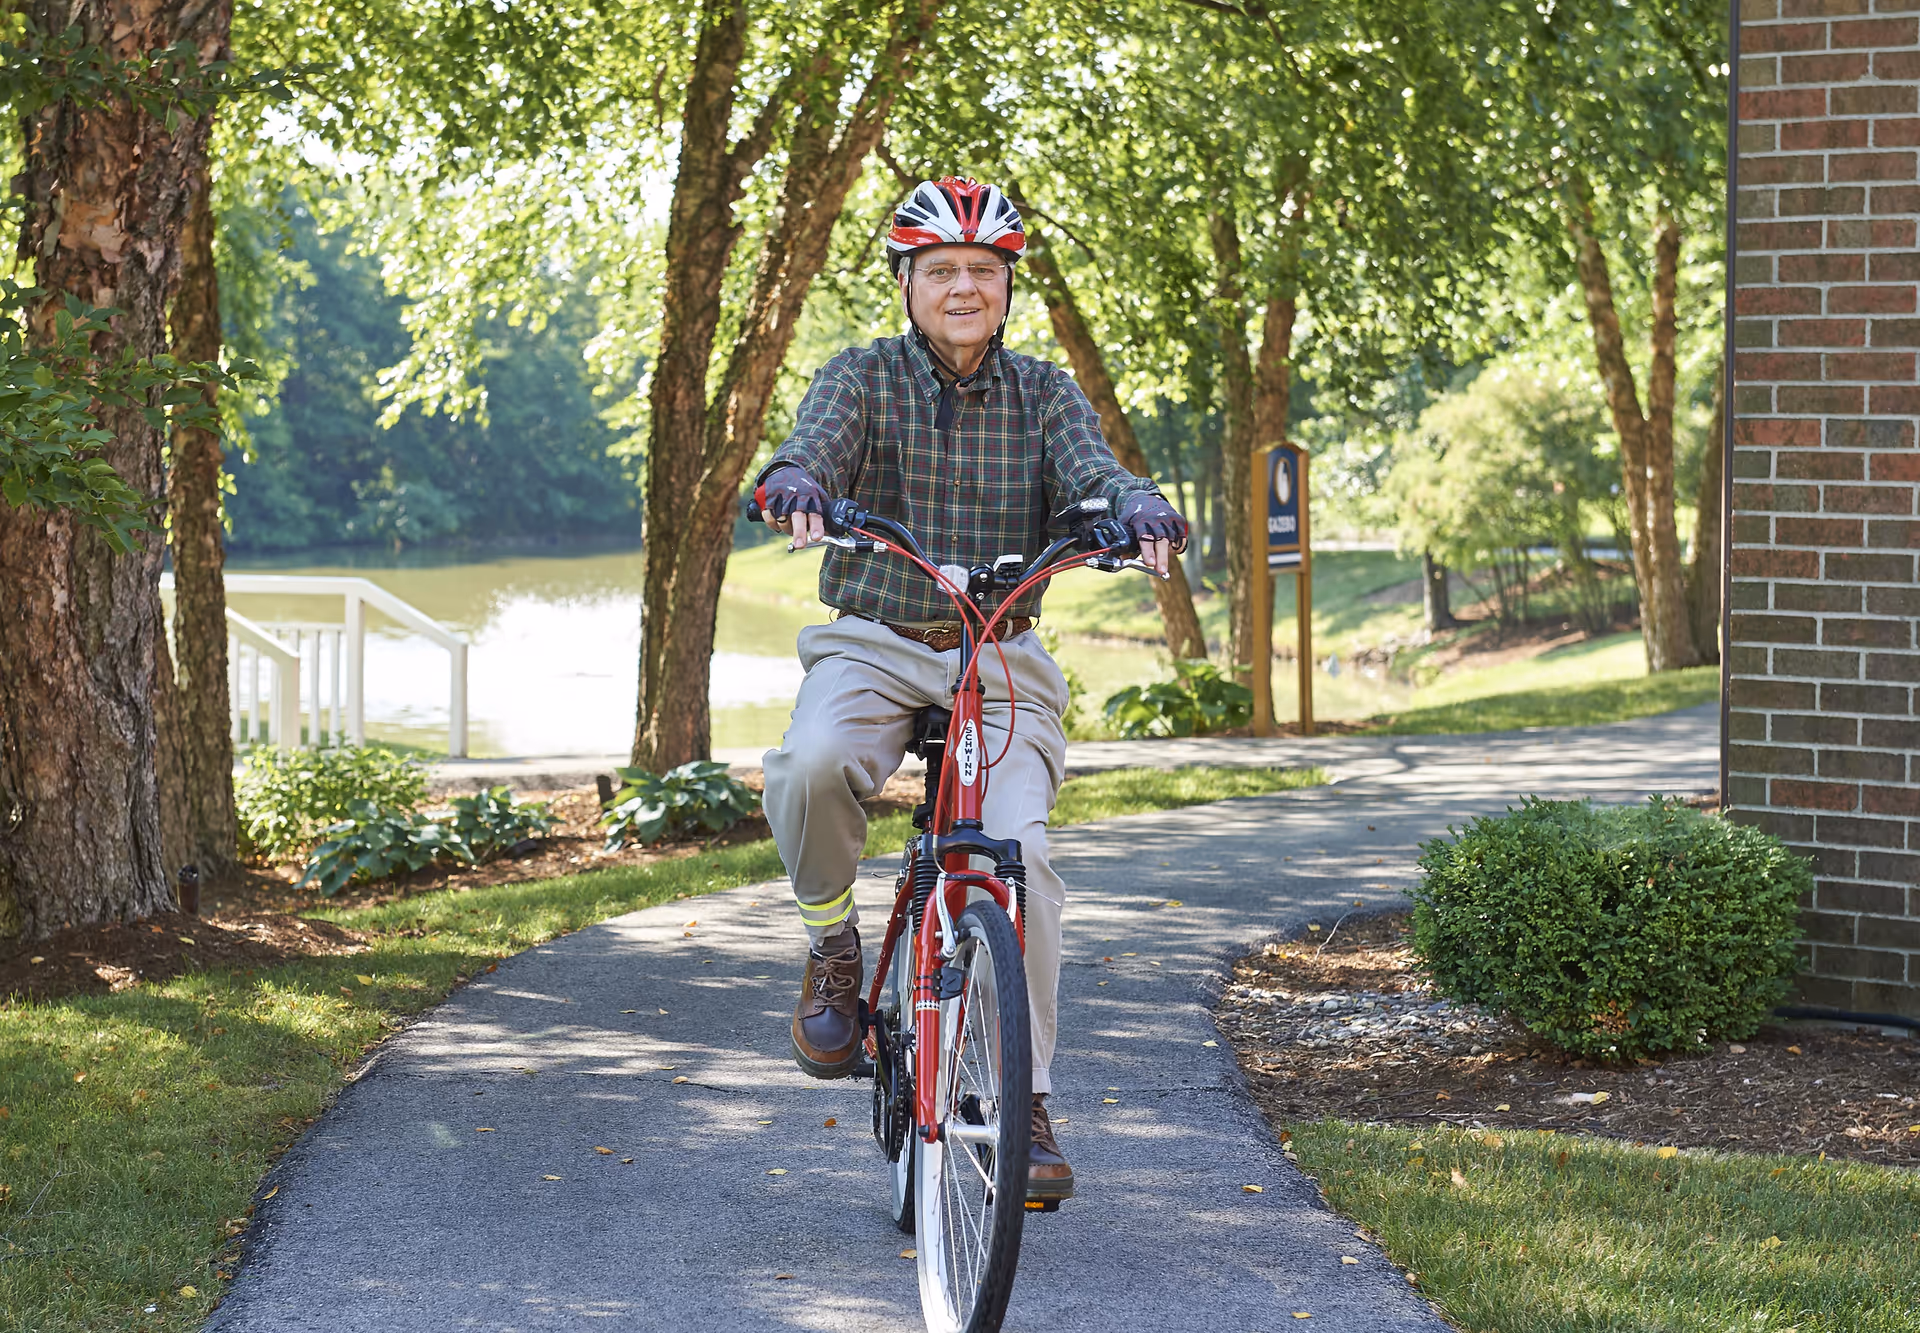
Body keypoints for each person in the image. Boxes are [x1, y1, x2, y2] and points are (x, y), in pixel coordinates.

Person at [756, 176, 1189, 1201]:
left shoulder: (1043, 391)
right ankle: (830, 942)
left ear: (1006, 288)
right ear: (906, 282)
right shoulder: (861, 379)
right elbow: (808, 447)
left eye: (982, 272)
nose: (963, 288)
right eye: (941, 270)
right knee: (812, 764)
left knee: (1024, 855)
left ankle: (1024, 1095)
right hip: (876, 636)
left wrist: (1142, 506)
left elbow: (1098, 470)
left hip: (999, 649)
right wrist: (798, 483)